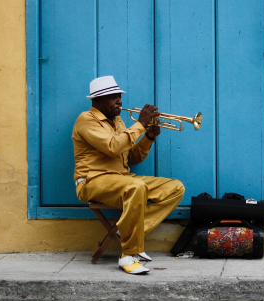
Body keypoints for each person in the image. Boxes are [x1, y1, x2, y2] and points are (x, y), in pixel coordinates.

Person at [72, 76, 185, 275]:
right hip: (92, 181)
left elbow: (132, 157)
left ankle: (123, 231)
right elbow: (112, 147)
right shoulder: (86, 120)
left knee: (175, 187)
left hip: (122, 179)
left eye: (119, 96)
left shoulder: (118, 121)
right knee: (136, 187)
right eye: (113, 97)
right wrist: (141, 124)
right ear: (97, 101)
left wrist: (148, 137)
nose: (119, 101)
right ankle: (128, 255)